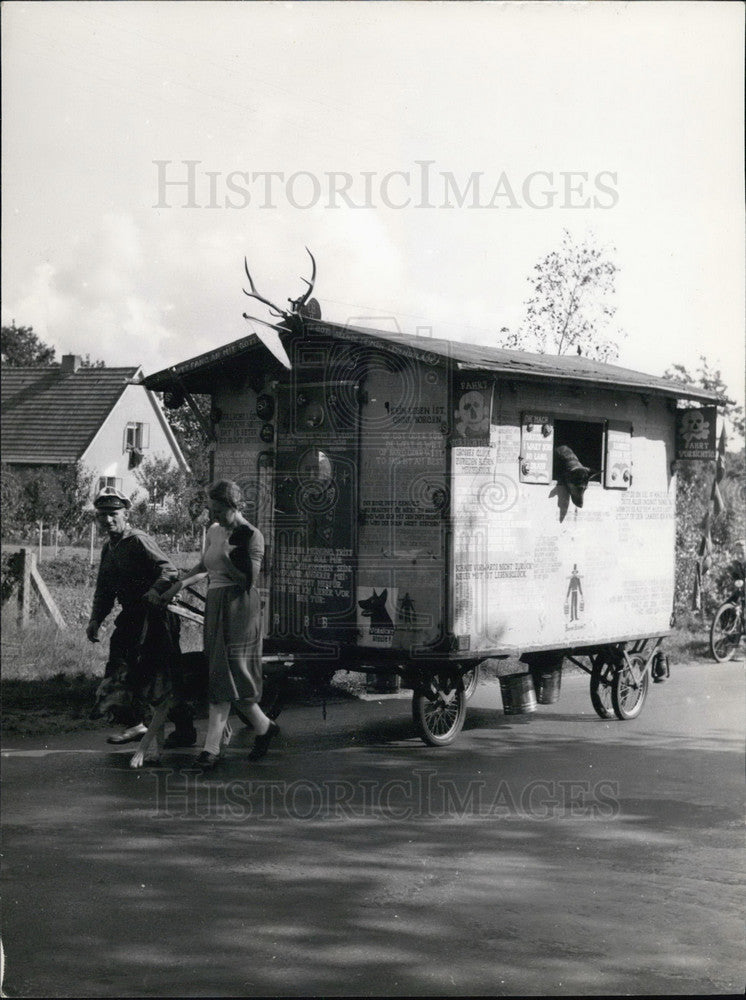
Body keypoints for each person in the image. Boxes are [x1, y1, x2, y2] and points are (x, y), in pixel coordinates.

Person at [160, 479, 279, 768]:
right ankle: (262, 729)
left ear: (232, 507)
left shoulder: (252, 536)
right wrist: (177, 586)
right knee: (219, 674)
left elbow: (247, 580)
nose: (212, 516)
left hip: (240, 607)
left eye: (217, 510)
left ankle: (214, 748)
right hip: (216, 604)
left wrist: (228, 557)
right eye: (210, 509)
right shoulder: (214, 531)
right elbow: (204, 566)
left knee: (232, 674)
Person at [87, 487, 196, 748]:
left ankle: (185, 729)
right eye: (103, 515)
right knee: (118, 666)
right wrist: (95, 620)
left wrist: (155, 590)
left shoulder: (138, 540)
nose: (108, 520)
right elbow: (104, 589)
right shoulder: (109, 548)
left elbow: (169, 570)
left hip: (158, 616)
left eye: (114, 514)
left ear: (125, 514)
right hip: (133, 615)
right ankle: (134, 723)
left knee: (162, 675)